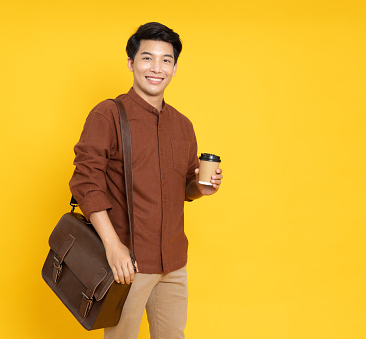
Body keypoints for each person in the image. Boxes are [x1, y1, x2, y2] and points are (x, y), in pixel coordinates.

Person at [69, 22, 223, 339]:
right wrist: (113, 248)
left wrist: (200, 188)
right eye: (147, 58)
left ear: (175, 68)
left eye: (166, 60)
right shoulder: (108, 115)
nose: (157, 68)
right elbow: (86, 183)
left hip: (174, 262)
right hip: (128, 263)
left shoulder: (183, 125)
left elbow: (182, 188)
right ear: (131, 63)